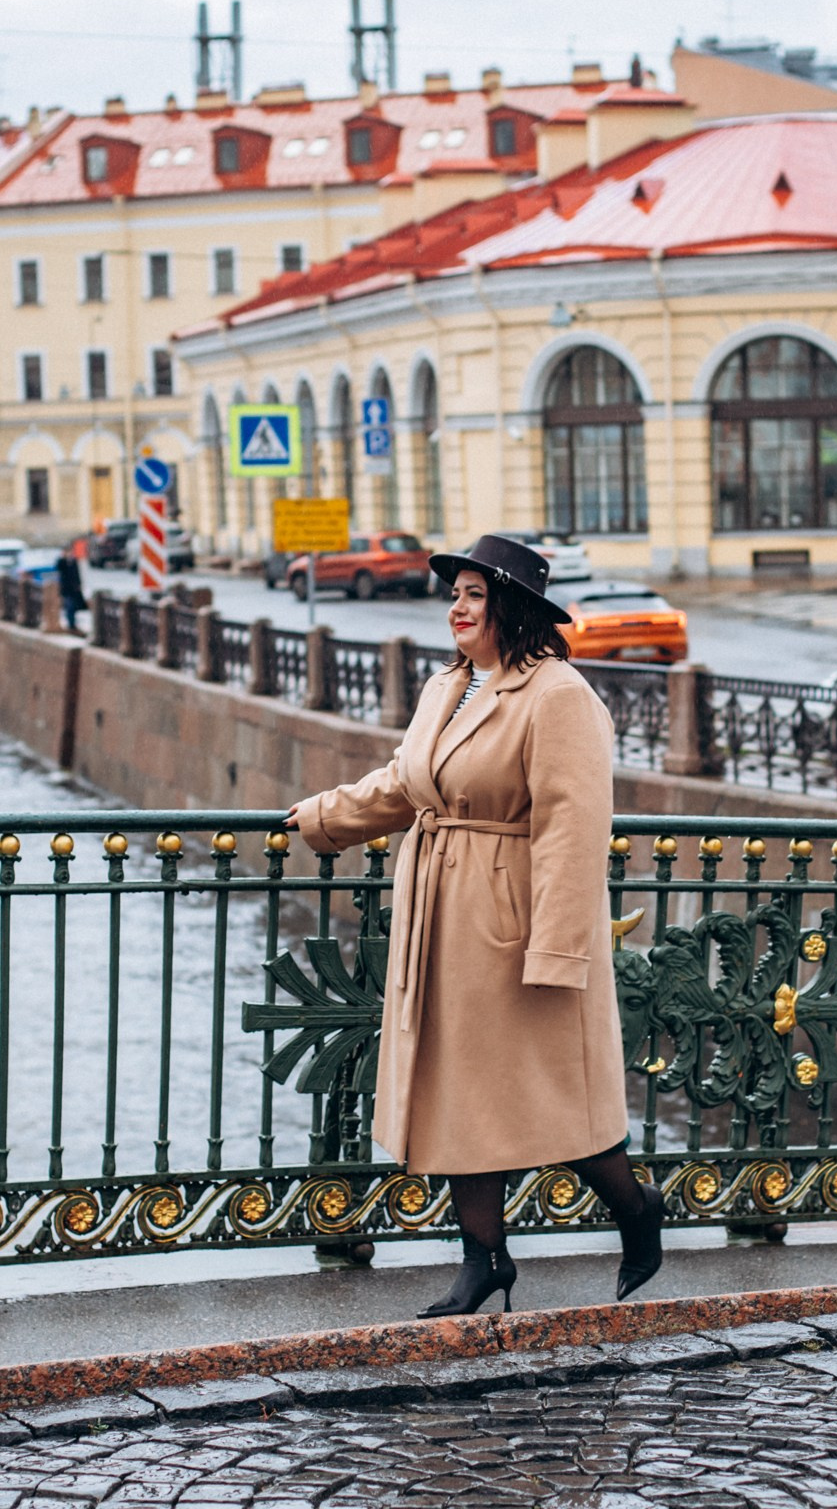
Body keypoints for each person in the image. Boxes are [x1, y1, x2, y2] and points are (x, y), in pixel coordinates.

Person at [285, 533, 662, 1317]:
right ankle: (484, 1260)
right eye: (453, 595)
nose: (456, 608)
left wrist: (557, 947)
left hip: (511, 919)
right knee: (464, 1095)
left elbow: (574, 827)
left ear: (511, 607)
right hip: (442, 919)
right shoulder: (445, 687)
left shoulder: (559, 696)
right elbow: (409, 784)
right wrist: (325, 817)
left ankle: (636, 1209)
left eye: (473, 595)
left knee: (560, 1098)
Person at [54, 546, 86, 634]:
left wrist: (79, 584)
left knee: (74, 607)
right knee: (69, 606)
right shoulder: (62, 561)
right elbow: (59, 568)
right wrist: (64, 558)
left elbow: (77, 573)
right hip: (66, 589)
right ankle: (71, 625)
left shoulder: (73, 561)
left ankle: (73, 624)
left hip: (74, 589)